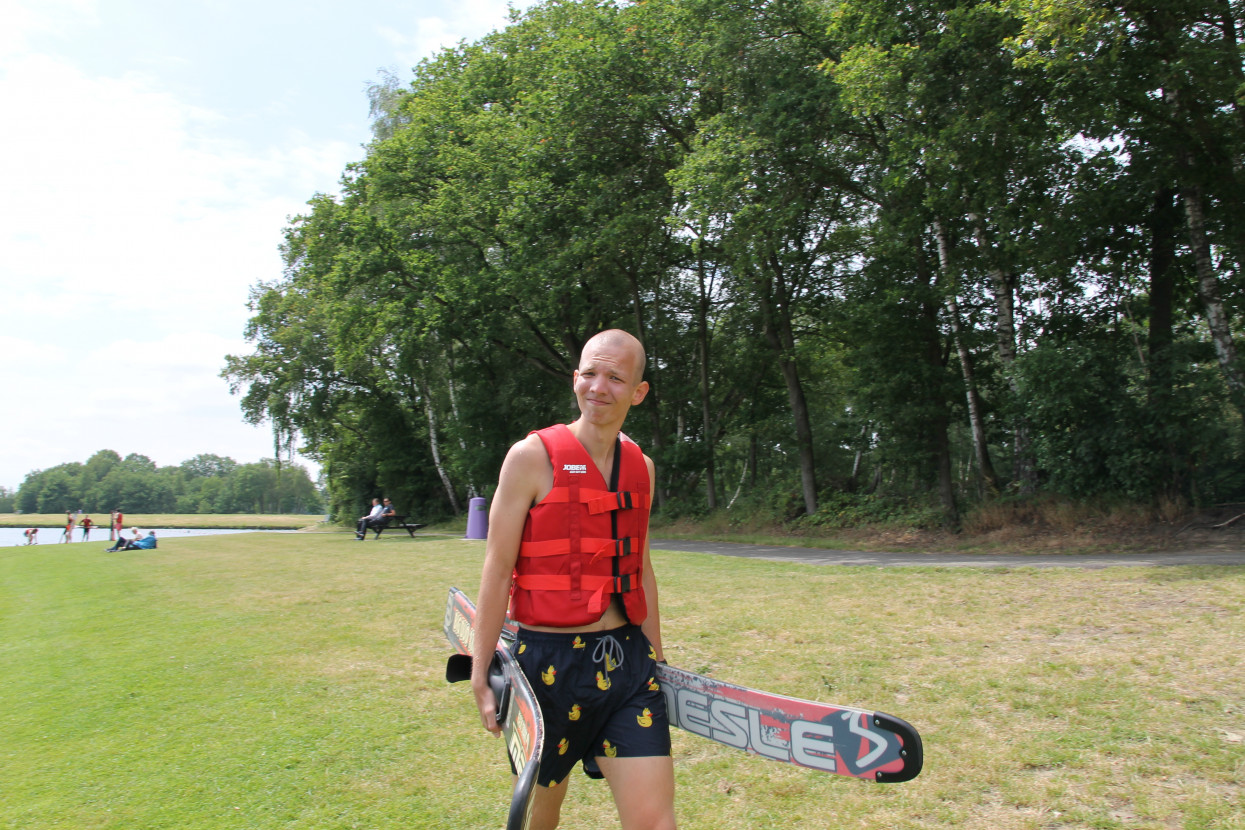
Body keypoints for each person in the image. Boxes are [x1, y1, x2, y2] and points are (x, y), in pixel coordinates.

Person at [471, 329, 675, 830]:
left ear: (638, 391)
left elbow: (641, 569)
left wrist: (660, 658)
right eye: (589, 373)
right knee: (544, 815)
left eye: (615, 377)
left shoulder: (641, 469)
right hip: (548, 668)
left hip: (628, 667)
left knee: (655, 822)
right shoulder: (530, 458)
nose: (598, 387)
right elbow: (498, 571)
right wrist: (480, 671)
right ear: (575, 379)